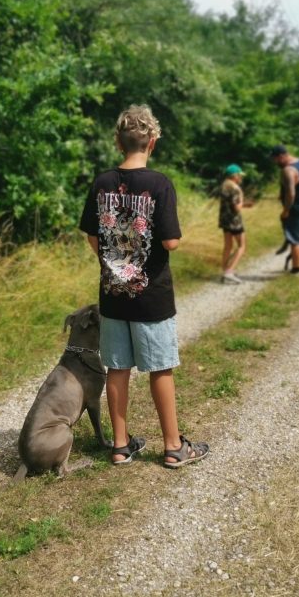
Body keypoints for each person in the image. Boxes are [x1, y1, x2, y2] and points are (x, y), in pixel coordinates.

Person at [80, 105, 209, 469]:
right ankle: (173, 446)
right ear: (152, 142)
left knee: (117, 368)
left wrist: (114, 264)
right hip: (151, 296)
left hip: (113, 294)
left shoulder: (102, 182)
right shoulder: (159, 184)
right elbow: (170, 243)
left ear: (118, 142)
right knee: (160, 368)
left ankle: (120, 446)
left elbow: (93, 235)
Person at [271, 144, 299, 274]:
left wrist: (286, 210)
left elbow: (291, 193)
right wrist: (282, 193)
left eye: (274, 159)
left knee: (295, 239)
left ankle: (296, 270)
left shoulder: (288, 170)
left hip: (297, 208)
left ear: (281, 156)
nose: (274, 162)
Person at [218, 163, 248, 284]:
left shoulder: (224, 185)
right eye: (239, 175)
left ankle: (225, 270)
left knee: (228, 246)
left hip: (225, 220)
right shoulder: (235, 188)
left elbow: (229, 204)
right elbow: (236, 208)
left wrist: (244, 204)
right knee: (241, 246)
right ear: (234, 175)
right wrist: (243, 202)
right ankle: (229, 272)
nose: (240, 178)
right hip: (234, 222)